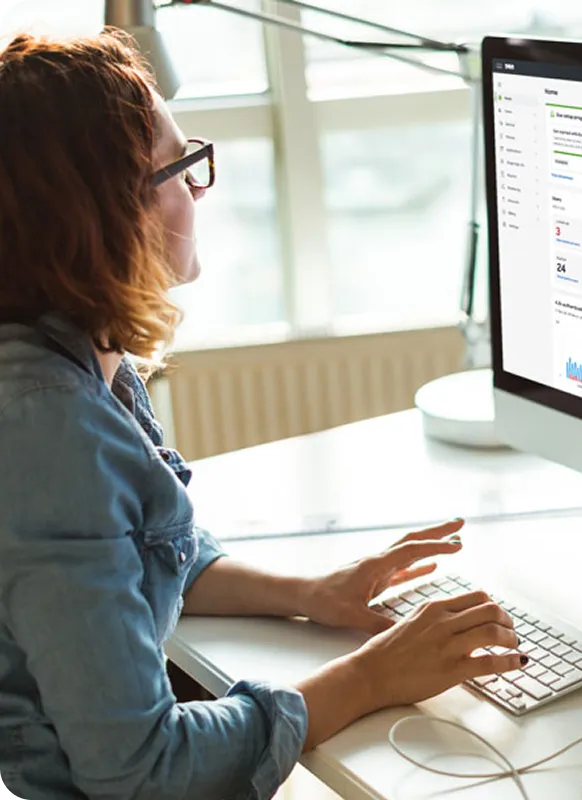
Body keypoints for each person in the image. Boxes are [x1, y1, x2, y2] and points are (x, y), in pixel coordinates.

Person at [0, 31, 526, 800]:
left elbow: (135, 557)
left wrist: (311, 592)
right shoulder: (49, 429)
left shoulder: (73, 352)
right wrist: (373, 675)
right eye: (182, 168)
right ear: (109, 214)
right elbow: (142, 768)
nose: (202, 189)